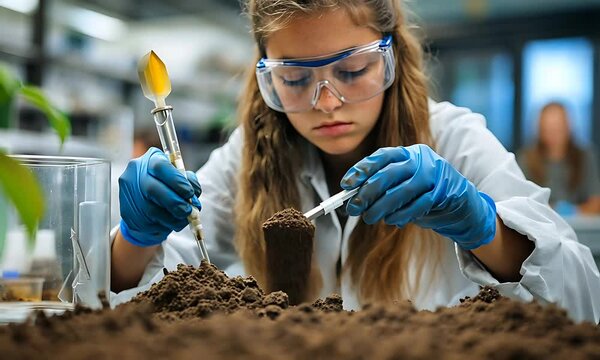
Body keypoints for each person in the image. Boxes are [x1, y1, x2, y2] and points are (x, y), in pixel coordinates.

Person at [110, 0, 600, 323]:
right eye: (296, 80)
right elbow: (159, 287)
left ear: (390, 58)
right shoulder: (248, 154)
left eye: (352, 70)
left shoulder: (455, 138)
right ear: (265, 75)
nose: (327, 102)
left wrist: (483, 227)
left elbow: (583, 302)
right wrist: (134, 241)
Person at [518, 102, 600, 216]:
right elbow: (519, 203)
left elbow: (596, 203)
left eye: (558, 129)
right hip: (539, 226)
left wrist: (574, 212)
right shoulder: (526, 158)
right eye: (548, 130)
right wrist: (551, 212)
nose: (553, 135)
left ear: (568, 127)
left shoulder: (585, 157)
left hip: (581, 228)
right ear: (539, 130)